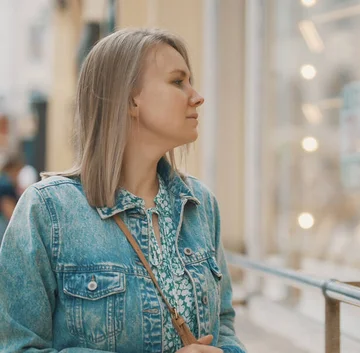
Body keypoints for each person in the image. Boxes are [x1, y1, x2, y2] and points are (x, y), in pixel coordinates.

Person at [0, 28, 246, 353]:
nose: (196, 96)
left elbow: (224, 327)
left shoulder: (200, 204)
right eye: (177, 81)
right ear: (130, 99)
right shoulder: (48, 210)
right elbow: (17, 347)